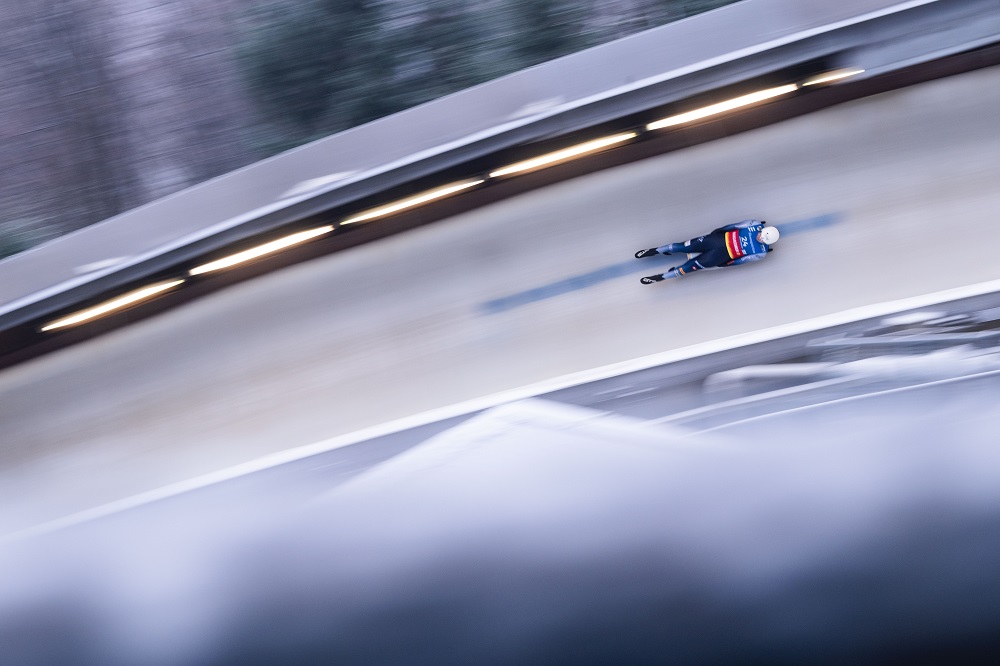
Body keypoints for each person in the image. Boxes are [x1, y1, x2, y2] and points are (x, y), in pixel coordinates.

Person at [634, 219, 779, 284]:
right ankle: (655, 250)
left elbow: (741, 261)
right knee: (683, 246)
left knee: (689, 267)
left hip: (718, 256)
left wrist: (724, 264)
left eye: (763, 240)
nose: (760, 239)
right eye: (762, 235)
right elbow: (734, 226)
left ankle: (663, 277)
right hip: (715, 240)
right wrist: (718, 232)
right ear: (763, 230)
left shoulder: (761, 253)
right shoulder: (753, 225)